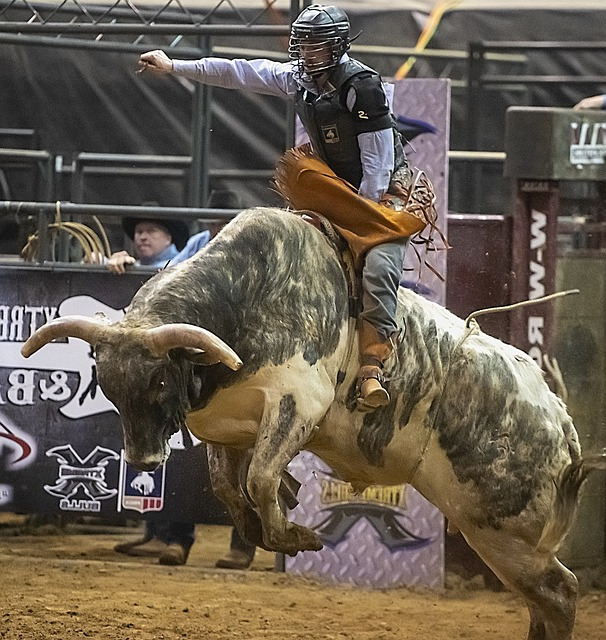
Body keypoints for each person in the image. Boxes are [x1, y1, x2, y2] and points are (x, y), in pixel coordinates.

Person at [137, 4, 423, 411]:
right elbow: (240, 71)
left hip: (382, 193)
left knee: (378, 264)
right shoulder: (298, 80)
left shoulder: (363, 87)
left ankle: (373, 364)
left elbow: (377, 165)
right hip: (335, 185)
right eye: (303, 44)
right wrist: (174, 65)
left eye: (317, 45)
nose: (307, 53)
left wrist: (361, 221)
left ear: (337, 45)